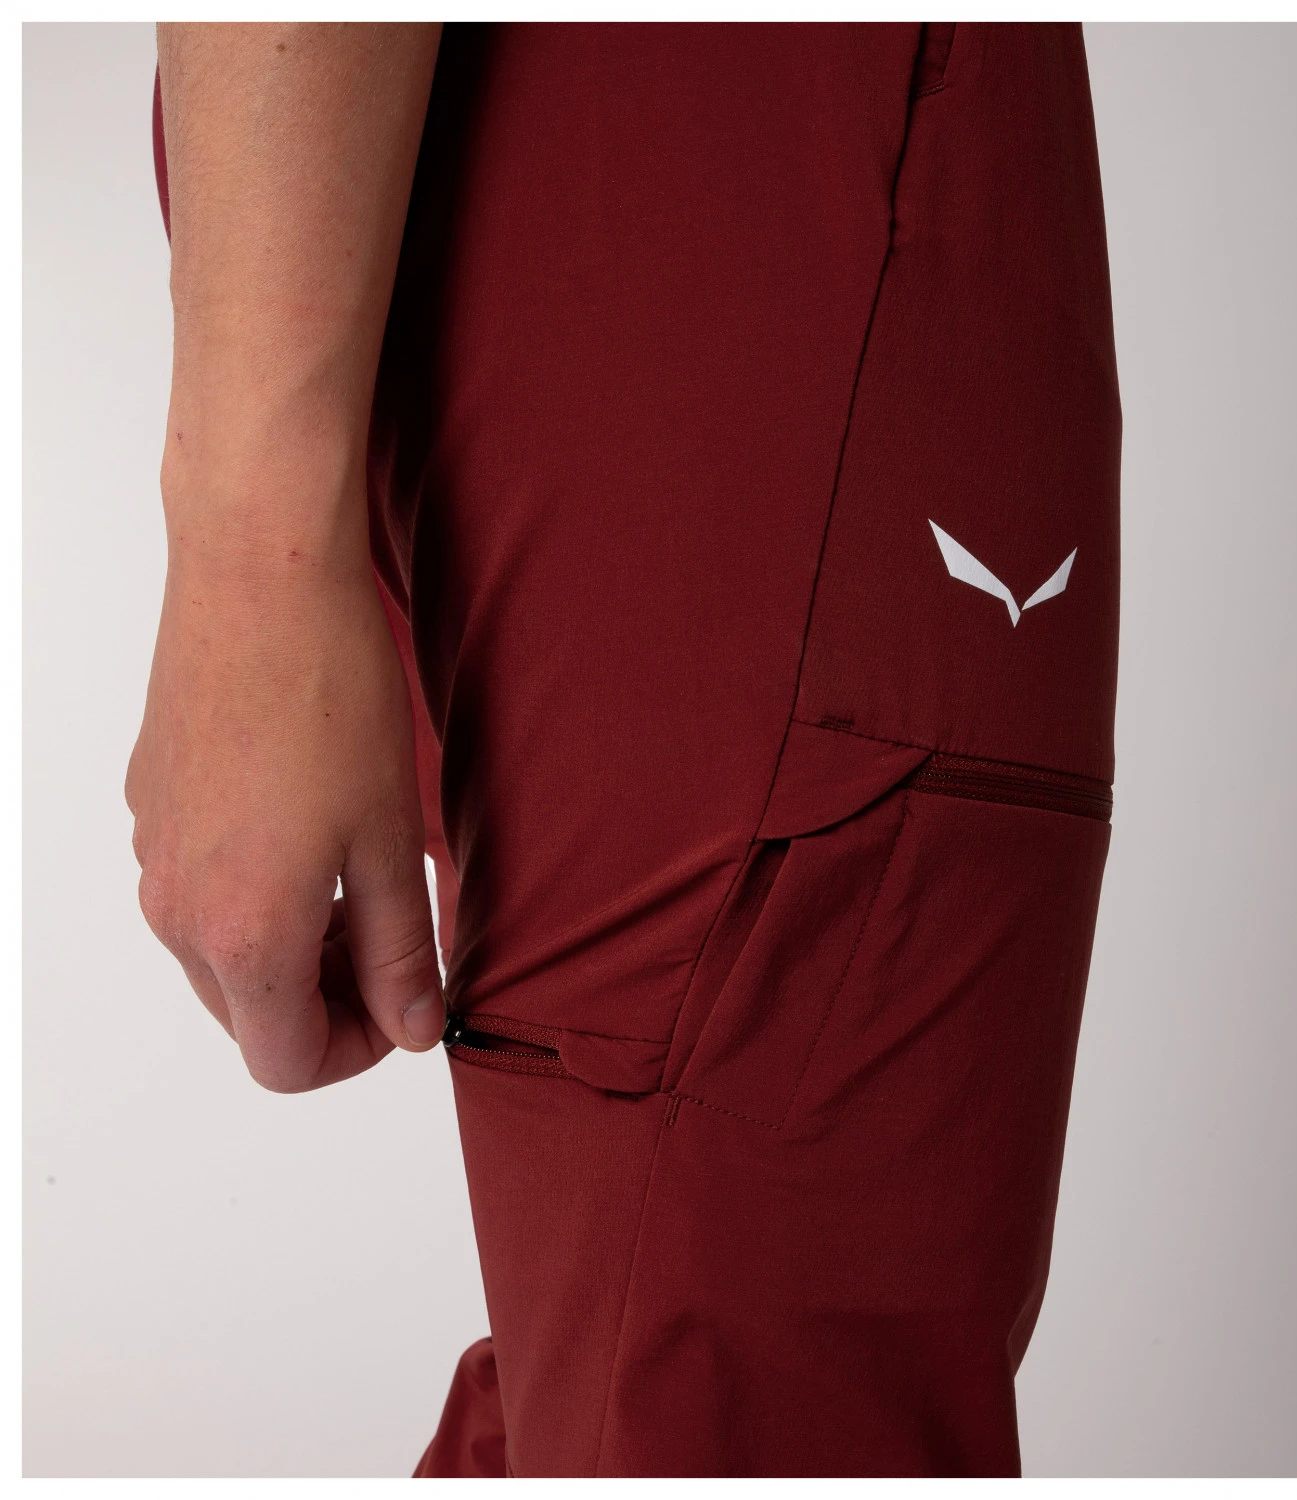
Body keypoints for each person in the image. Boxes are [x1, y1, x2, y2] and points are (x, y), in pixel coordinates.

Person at [129, 21, 1120, 1477]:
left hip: (659, 194)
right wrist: (248, 553)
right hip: (734, 179)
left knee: (662, 1349)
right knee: (737, 1373)